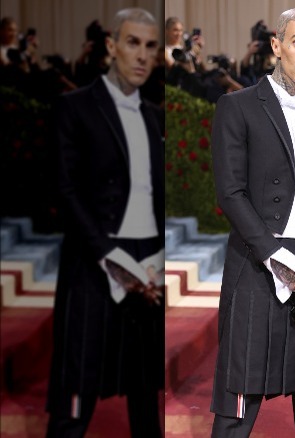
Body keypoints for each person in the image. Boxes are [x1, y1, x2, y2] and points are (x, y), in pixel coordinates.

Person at [209, 8, 295, 438]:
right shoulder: (237, 107)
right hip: (260, 258)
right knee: (240, 397)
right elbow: (231, 194)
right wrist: (277, 258)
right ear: (276, 45)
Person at [46, 8, 164, 437]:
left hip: (148, 263)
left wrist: (158, 258)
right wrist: (109, 257)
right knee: (76, 391)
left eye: (151, 46)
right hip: (93, 263)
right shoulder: (74, 108)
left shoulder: (154, 117)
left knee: (146, 394)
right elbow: (65, 191)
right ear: (111, 46)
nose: (142, 55)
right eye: (133, 42)